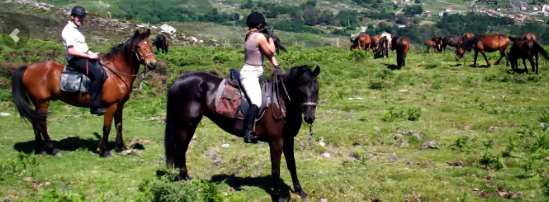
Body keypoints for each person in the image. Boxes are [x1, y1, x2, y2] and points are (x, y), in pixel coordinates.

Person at [241, 12, 282, 144]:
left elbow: (267, 53)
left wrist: (277, 66)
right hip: (250, 75)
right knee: (256, 102)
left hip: (257, 73)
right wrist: (270, 36)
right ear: (259, 25)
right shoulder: (259, 37)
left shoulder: (250, 35)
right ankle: (247, 133)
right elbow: (272, 51)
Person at [62, 6, 107, 116]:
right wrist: (88, 56)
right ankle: (95, 106)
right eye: (79, 17)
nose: (81, 20)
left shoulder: (77, 29)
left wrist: (91, 53)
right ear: (72, 17)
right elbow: (71, 51)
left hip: (84, 56)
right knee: (98, 75)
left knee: (103, 69)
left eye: (82, 18)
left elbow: (82, 46)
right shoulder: (68, 30)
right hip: (76, 59)